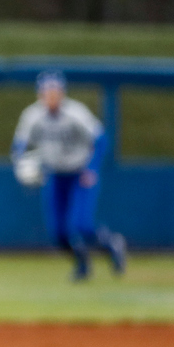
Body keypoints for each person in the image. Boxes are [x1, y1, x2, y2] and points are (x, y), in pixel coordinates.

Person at [11, 71, 128, 280]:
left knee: (81, 225)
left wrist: (92, 168)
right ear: (40, 94)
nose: (51, 96)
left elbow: (101, 140)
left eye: (55, 92)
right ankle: (82, 263)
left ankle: (111, 244)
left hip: (79, 173)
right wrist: (20, 162)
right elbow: (19, 144)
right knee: (58, 233)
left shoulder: (76, 112)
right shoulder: (32, 115)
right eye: (47, 92)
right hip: (55, 175)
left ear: (62, 93)